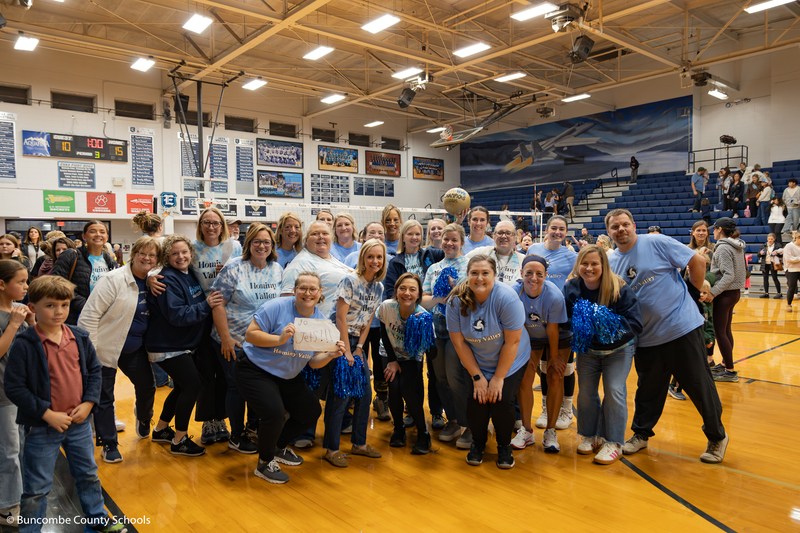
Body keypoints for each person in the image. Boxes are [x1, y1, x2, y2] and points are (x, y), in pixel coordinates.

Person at [4, 276, 127, 533]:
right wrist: (46, 413)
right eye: (50, 305)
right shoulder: (25, 344)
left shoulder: (80, 337)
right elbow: (15, 387)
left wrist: (89, 403)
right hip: (42, 427)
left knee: (88, 474)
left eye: (64, 305)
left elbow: (95, 372)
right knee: (36, 487)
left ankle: (96, 517)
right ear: (33, 307)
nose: (58, 311)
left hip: (79, 424)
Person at [604, 208, 728, 464]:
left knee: (698, 385)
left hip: (680, 328)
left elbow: (698, 262)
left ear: (633, 225)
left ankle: (717, 436)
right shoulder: (611, 261)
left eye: (625, 224)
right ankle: (641, 434)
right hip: (646, 338)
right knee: (648, 390)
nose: (621, 230)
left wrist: (693, 293)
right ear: (609, 232)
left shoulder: (655, 242)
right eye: (615, 227)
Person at [236, 272, 346, 484]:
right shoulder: (275, 306)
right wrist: (279, 338)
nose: (308, 293)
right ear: (295, 290)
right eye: (302, 288)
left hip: (286, 374)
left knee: (310, 411)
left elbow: (314, 362)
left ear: (320, 293)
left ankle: (277, 447)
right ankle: (264, 462)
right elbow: (250, 335)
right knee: (274, 413)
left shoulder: (320, 323)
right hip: (255, 369)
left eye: (313, 289)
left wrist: (331, 355)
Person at [148, 207, 241, 446]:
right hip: (194, 323)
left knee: (218, 376)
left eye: (216, 222)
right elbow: (160, 262)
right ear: (199, 226)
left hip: (222, 317)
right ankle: (203, 424)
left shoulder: (234, 247)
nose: (211, 226)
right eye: (206, 222)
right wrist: (150, 275)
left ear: (223, 225)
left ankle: (168, 428)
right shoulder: (190, 251)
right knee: (202, 377)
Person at [77, 236, 160, 463]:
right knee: (104, 397)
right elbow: (89, 315)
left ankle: (143, 417)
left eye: (152, 255)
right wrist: (90, 351)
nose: (147, 258)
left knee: (147, 386)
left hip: (135, 349)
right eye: (143, 253)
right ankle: (109, 443)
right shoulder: (112, 279)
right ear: (133, 254)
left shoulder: (155, 280)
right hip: (104, 348)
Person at [446, 255, 530, 469]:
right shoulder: (456, 301)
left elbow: (513, 342)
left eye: (485, 273)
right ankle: (478, 443)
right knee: (477, 400)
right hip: (477, 359)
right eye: (474, 273)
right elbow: (458, 343)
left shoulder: (507, 298)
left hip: (510, 358)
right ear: (468, 275)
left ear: (495, 275)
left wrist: (499, 378)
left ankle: (504, 446)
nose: (480, 278)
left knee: (501, 401)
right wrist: (477, 376)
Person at [145, 235, 224, 456]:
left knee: (182, 386)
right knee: (192, 386)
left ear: (191, 253)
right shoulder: (166, 279)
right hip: (166, 345)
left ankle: (161, 429)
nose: (180, 257)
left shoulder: (189, 274)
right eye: (174, 253)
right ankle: (179, 440)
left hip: (181, 344)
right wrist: (207, 305)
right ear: (166, 257)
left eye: (184, 252)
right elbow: (177, 315)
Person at [563, 245, 642, 464]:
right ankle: (590, 435)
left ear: (603, 265)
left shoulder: (619, 287)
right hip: (588, 350)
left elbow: (635, 323)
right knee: (586, 392)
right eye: (584, 263)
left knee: (614, 390)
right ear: (578, 264)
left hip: (618, 350)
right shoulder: (571, 287)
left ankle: (614, 442)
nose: (589, 268)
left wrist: (606, 326)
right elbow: (565, 320)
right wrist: (581, 327)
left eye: (594, 263)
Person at [211, 224, 283, 454]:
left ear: (272, 246)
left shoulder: (277, 269)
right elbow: (218, 304)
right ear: (249, 244)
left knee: (257, 386)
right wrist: (226, 338)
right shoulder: (234, 268)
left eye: (266, 242)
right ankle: (236, 435)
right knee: (236, 386)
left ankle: (253, 427)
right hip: (234, 339)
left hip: (261, 340)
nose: (261, 246)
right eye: (257, 241)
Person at [280, 221, 352, 448]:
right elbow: (285, 298)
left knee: (332, 380)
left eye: (324, 233)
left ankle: (338, 422)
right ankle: (303, 432)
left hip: (337, 330)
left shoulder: (332, 259)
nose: (321, 237)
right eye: (314, 234)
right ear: (306, 239)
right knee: (313, 382)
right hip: (313, 329)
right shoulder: (300, 263)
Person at [324, 239, 386, 467]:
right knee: (340, 396)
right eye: (370, 256)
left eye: (379, 257)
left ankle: (359, 444)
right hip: (338, 339)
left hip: (357, 342)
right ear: (363, 258)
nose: (375, 261)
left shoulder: (378, 287)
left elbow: (368, 321)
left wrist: (360, 348)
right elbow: (340, 317)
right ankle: (331, 449)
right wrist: (347, 350)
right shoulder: (350, 280)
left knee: (364, 394)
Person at [510, 255, 572, 452]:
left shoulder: (554, 296)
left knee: (555, 376)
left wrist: (553, 357)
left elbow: (553, 330)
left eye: (539, 274)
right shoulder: (514, 292)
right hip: (531, 335)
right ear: (521, 274)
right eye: (528, 273)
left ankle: (550, 431)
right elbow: (517, 325)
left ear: (546, 275)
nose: (533, 278)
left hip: (558, 336)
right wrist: (526, 352)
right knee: (525, 377)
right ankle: (527, 431)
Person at [422, 224, 471, 447]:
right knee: (439, 379)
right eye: (445, 239)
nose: (449, 243)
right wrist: (440, 299)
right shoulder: (433, 268)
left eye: (454, 239)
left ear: (462, 241)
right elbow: (423, 298)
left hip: (458, 333)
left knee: (455, 379)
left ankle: (469, 424)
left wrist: (454, 291)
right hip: (436, 331)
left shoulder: (469, 265)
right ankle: (452, 420)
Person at [380, 273, 433, 454]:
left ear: (419, 295)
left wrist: (424, 331)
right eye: (402, 288)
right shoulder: (386, 307)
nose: (407, 293)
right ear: (396, 290)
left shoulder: (424, 315)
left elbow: (431, 352)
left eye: (412, 289)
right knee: (393, 387)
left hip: (412, 357)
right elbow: (384, 334)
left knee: (407, 388)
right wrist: (393, 361)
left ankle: (424, 433)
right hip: (389, 353)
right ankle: (398, 429)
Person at [0, 260, 35, 527]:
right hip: (2, 395)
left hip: (21, 392)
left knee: (21, 447)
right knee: (9, 450)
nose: (26, 286)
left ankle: (17, 495)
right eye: (21, 282)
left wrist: (30, 323)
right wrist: (13, 324)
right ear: (2, 284)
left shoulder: (18, 310)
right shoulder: (8, 316)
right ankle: (6, 506)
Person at [50, 221, 117, 325]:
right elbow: (56, 284)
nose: (98, 234)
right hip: (74, 317)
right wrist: (84, 305)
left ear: (106, 237)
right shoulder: (71, 255)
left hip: (102, 318)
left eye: (102, 232)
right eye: (93, 231)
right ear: (84, 236)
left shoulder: (111, 262)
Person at [704, 218, 746, 383]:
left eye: (713, 229)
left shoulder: (722, 248)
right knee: (726, 330)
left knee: (720, 332)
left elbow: (728, 274)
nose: (712, 232)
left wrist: (713, 292)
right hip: (734, 292)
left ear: (719, 229)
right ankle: (725, 363)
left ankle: (730, 370)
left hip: (724, 294)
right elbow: (731, 268)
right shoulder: (735, 245)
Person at [466, 220, 524, 285]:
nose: (504, 236)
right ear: (494, 236)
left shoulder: (522, 259)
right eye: (500, 233)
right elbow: (461, 262)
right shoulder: (481, 253)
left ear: (515, 238)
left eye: (508, 233)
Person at [760, 234, 783, 299]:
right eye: (769, 239)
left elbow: (782, 255)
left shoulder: (778, 245)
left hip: (773, 264)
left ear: (774, 239)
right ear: (767, 239)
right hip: (765, 264)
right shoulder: (764, 245)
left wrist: (777, 253)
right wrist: (760, 253)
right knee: (765, 278)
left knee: (775, 278)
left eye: (771, 239)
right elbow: (758, 255)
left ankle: (779, 293)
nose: (770, 240)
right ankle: (766, 293)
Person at [783, 231, 800, 312]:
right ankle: (789, 304)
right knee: (792, 287)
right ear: (797, 238)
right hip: (791, 270)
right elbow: (789, 259)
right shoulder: (789, 246)